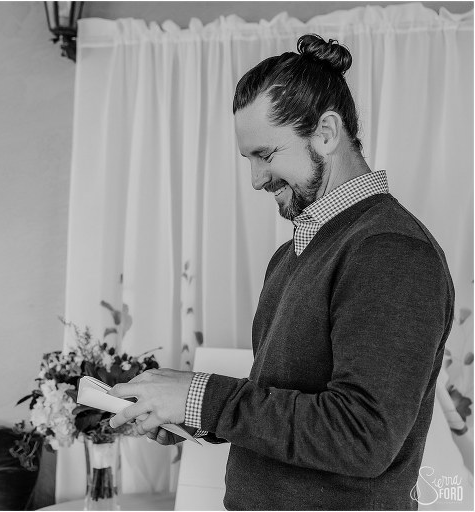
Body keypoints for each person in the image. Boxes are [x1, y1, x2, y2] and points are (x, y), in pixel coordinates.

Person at [109, 34, 454, 510]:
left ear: (327, 133)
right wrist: (187, 413)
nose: (255, 180)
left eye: (265, 155)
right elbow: (281, 407)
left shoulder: (389, 249)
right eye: (248, 159)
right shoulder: (291, 255)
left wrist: (204, 397)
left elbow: (362, 437)